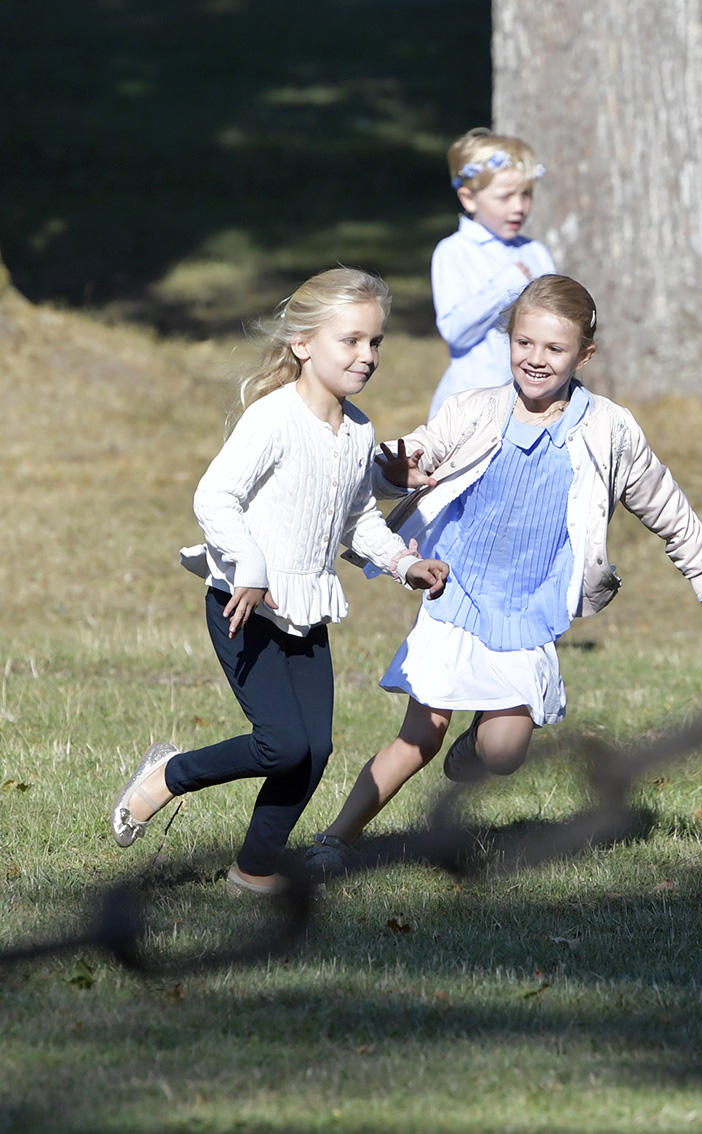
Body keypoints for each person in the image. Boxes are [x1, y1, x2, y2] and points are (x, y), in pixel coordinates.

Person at [306, 273, 702, 876]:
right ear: (510, 340)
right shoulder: (475, 410)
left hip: (529, 606)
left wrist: (701, 564)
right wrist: (394, 468)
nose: (535, 359)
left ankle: (473, 750)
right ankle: (335, 838)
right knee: (419, 737)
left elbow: (658, 496)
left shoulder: (607, 429)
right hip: (456, 590)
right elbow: (412, 456)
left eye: (555, 349)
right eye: (524, 343)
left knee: (504, 753)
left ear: (583, 355)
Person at [111, 268, 449, 895]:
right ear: (302, 344)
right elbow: (215, 496)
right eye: (350, 340)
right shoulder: (272, 419)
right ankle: (167, 776)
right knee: (281, 744)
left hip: (304, 609)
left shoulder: (358, 431)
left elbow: (358, 518)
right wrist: (250, 567)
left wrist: (404, 563)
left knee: (311, 751)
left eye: (375, 343)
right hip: (243, 604)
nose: (366, 356)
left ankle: (253, 870)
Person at [428, 127, 555, 419]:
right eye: (505, 196)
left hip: (533, 402)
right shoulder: (454, 252)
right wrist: (506, 287)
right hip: (473, 403)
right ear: (469, 198)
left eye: (526, 195)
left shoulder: (536, 252)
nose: (518, 207)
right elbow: (455, 330)